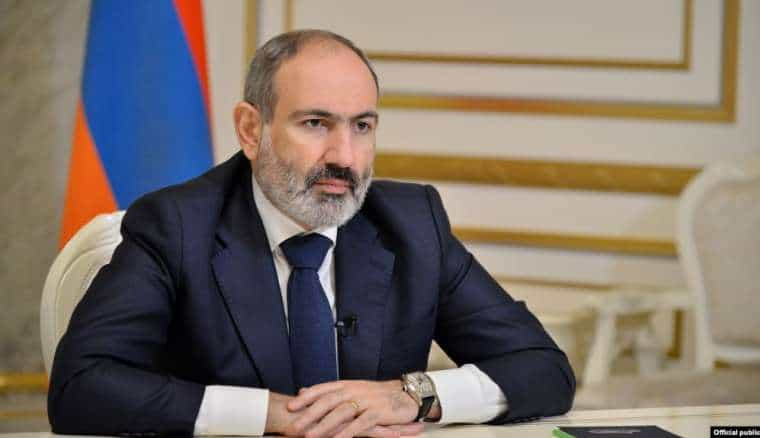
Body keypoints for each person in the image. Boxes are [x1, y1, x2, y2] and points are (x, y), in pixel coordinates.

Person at [48, 29, 575, 437]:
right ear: (251, 129)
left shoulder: (412, 224)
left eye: (361, 126)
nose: (344, 157)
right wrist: (276, 414)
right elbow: (81, 386)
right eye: (316, 124)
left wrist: (411, 395)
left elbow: (544, 370)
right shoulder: (176, 225)